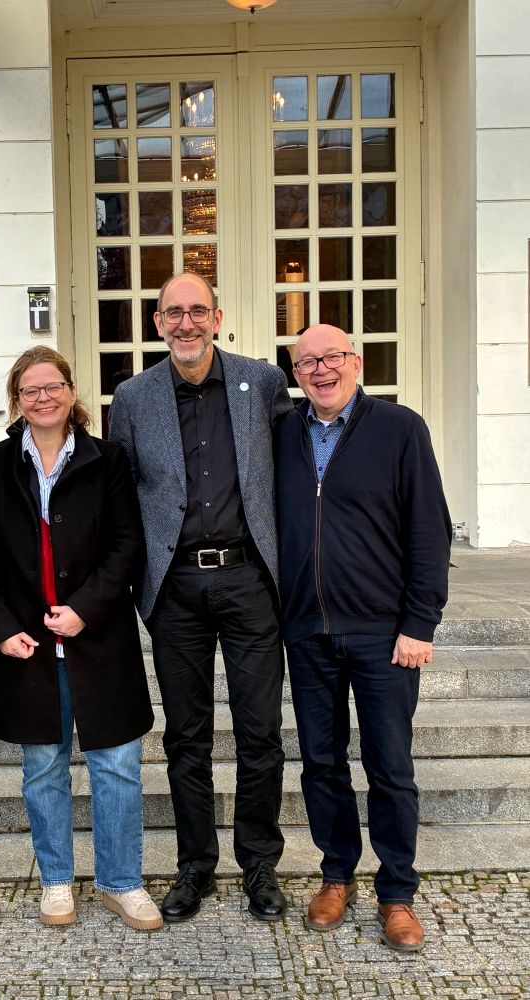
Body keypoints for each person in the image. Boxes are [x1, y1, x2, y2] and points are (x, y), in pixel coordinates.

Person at [108, 272, 293, 923]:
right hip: (176, 586)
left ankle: (261, 866)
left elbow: (290, 473)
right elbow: (121, 496)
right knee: (186, 735)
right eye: (172, 313)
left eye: (196, 311)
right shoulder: (132, 398)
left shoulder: (262, 383)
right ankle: (196, 867)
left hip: (249, 581)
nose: (185, 323)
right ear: (158, 323)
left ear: (217, 316)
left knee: (259, 730)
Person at [0, 347, 161, 931]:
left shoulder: (108, 460)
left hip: (98, 638)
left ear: (71, 393)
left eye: (53, 386)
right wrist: (0, 628)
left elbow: (128, 544)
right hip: (26, 644)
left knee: (118, 766)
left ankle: (122, 882)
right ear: (17, 400)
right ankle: (55, 880)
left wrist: (85, 609)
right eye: (30, 390)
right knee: (43, 769)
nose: (43, 397)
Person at [274, 324, 451, 953]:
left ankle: (397, 890)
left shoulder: (400, 429)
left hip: (384, 633)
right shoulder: (284, 432)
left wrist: (419, 622)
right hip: (307, 630)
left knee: (390, 765)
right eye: (306, 362)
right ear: (294, 373)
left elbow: (430, 529)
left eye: (332, 358)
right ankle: (335, 873)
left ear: (357, 362)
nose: (320, 370)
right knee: (321, 762)